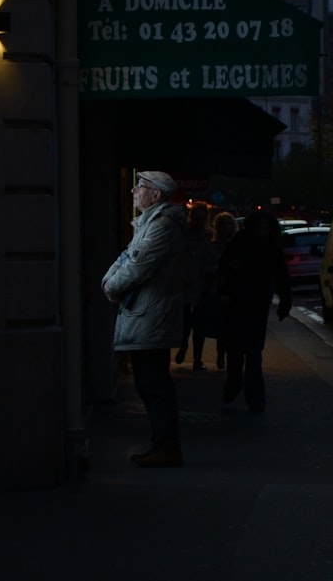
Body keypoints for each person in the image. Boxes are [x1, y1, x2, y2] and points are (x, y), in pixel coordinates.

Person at [102, 170, 186, 467]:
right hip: (145, 313)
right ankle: (161, 445)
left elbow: (138, 263)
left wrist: (111, 286)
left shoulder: (161, 227)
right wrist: (110, 281)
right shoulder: (149, 224)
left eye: (141, 186)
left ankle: (166, 447)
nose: (134, 191)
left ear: (156, 195)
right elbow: (128, 258)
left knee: (153, 383)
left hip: (151, 314)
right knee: (149, 382)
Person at [217, 209, 292, 412]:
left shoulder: (245, 241)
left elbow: (281, 274)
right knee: (245, 351)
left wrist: (285, 300)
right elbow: (281, 275)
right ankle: (250, 395)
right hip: (245, 301)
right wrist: (285, 301)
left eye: (264, 228)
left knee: (247, 352)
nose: (261, 232)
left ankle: (242, 390)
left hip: (249, 302)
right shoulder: (263, 244)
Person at [196, 211, 239, 371]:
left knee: (224, 328)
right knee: (204, 326)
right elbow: (201, 266)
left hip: (229, 291)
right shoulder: (209, 244)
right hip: (212, 289)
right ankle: (198, 358)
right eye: (222, 224)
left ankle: (221, 356)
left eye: (228, 224)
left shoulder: (236, 245)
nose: (225, 227)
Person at [174, 201, 215, 371]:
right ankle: (192, 354)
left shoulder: (190, 233)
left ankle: (191, 353)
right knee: (193, 324)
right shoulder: (206, 235)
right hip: (194, 282)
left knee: (194, 323)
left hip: (194, 283)